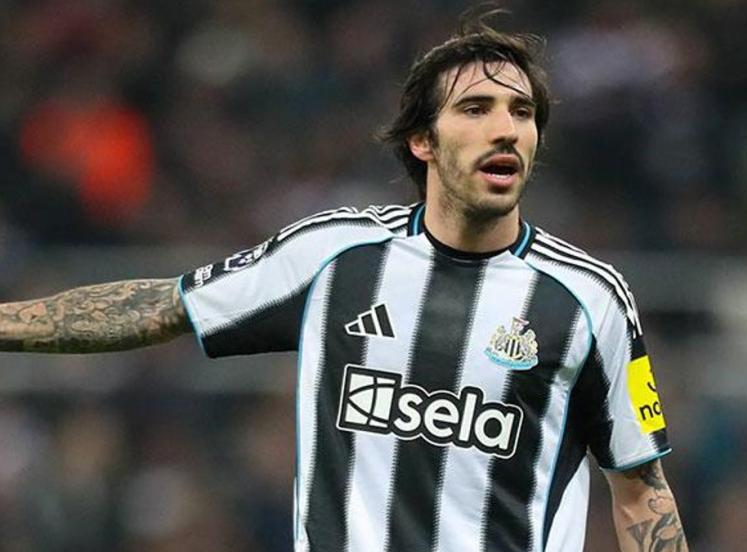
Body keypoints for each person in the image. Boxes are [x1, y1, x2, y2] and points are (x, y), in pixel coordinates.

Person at [0, 13, 688, 552]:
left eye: (522, 111)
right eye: (476, 108)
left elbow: (641, 490)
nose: (506, 129)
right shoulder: (336, 255)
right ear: (423, 140)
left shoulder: (590, 298)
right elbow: (163, 307)